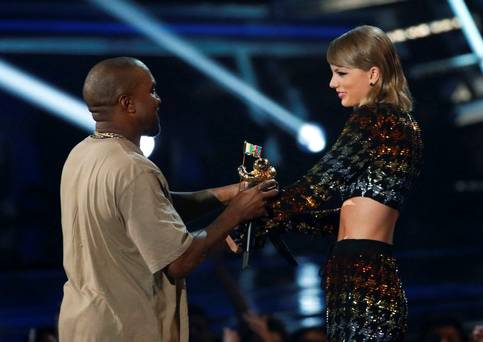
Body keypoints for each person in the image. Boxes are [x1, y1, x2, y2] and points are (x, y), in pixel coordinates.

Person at [58, 57, 278, 342]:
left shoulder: (81, 154)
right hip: (126, 329)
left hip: (84, 325)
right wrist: (235, 214)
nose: (158, 100)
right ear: (127, 103)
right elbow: (179, 261)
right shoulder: (133, 167)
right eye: (151, 91)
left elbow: (155, 207)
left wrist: (228, 194)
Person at [244, 25, 423, 340]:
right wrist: (280, 221)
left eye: (341, 73)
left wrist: (251, 215)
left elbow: (319, 185)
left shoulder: (374, 119)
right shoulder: (399, 123)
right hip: (366, 272)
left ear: (372, 74)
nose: (332, 83)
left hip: (361, 280)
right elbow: (347, 217)